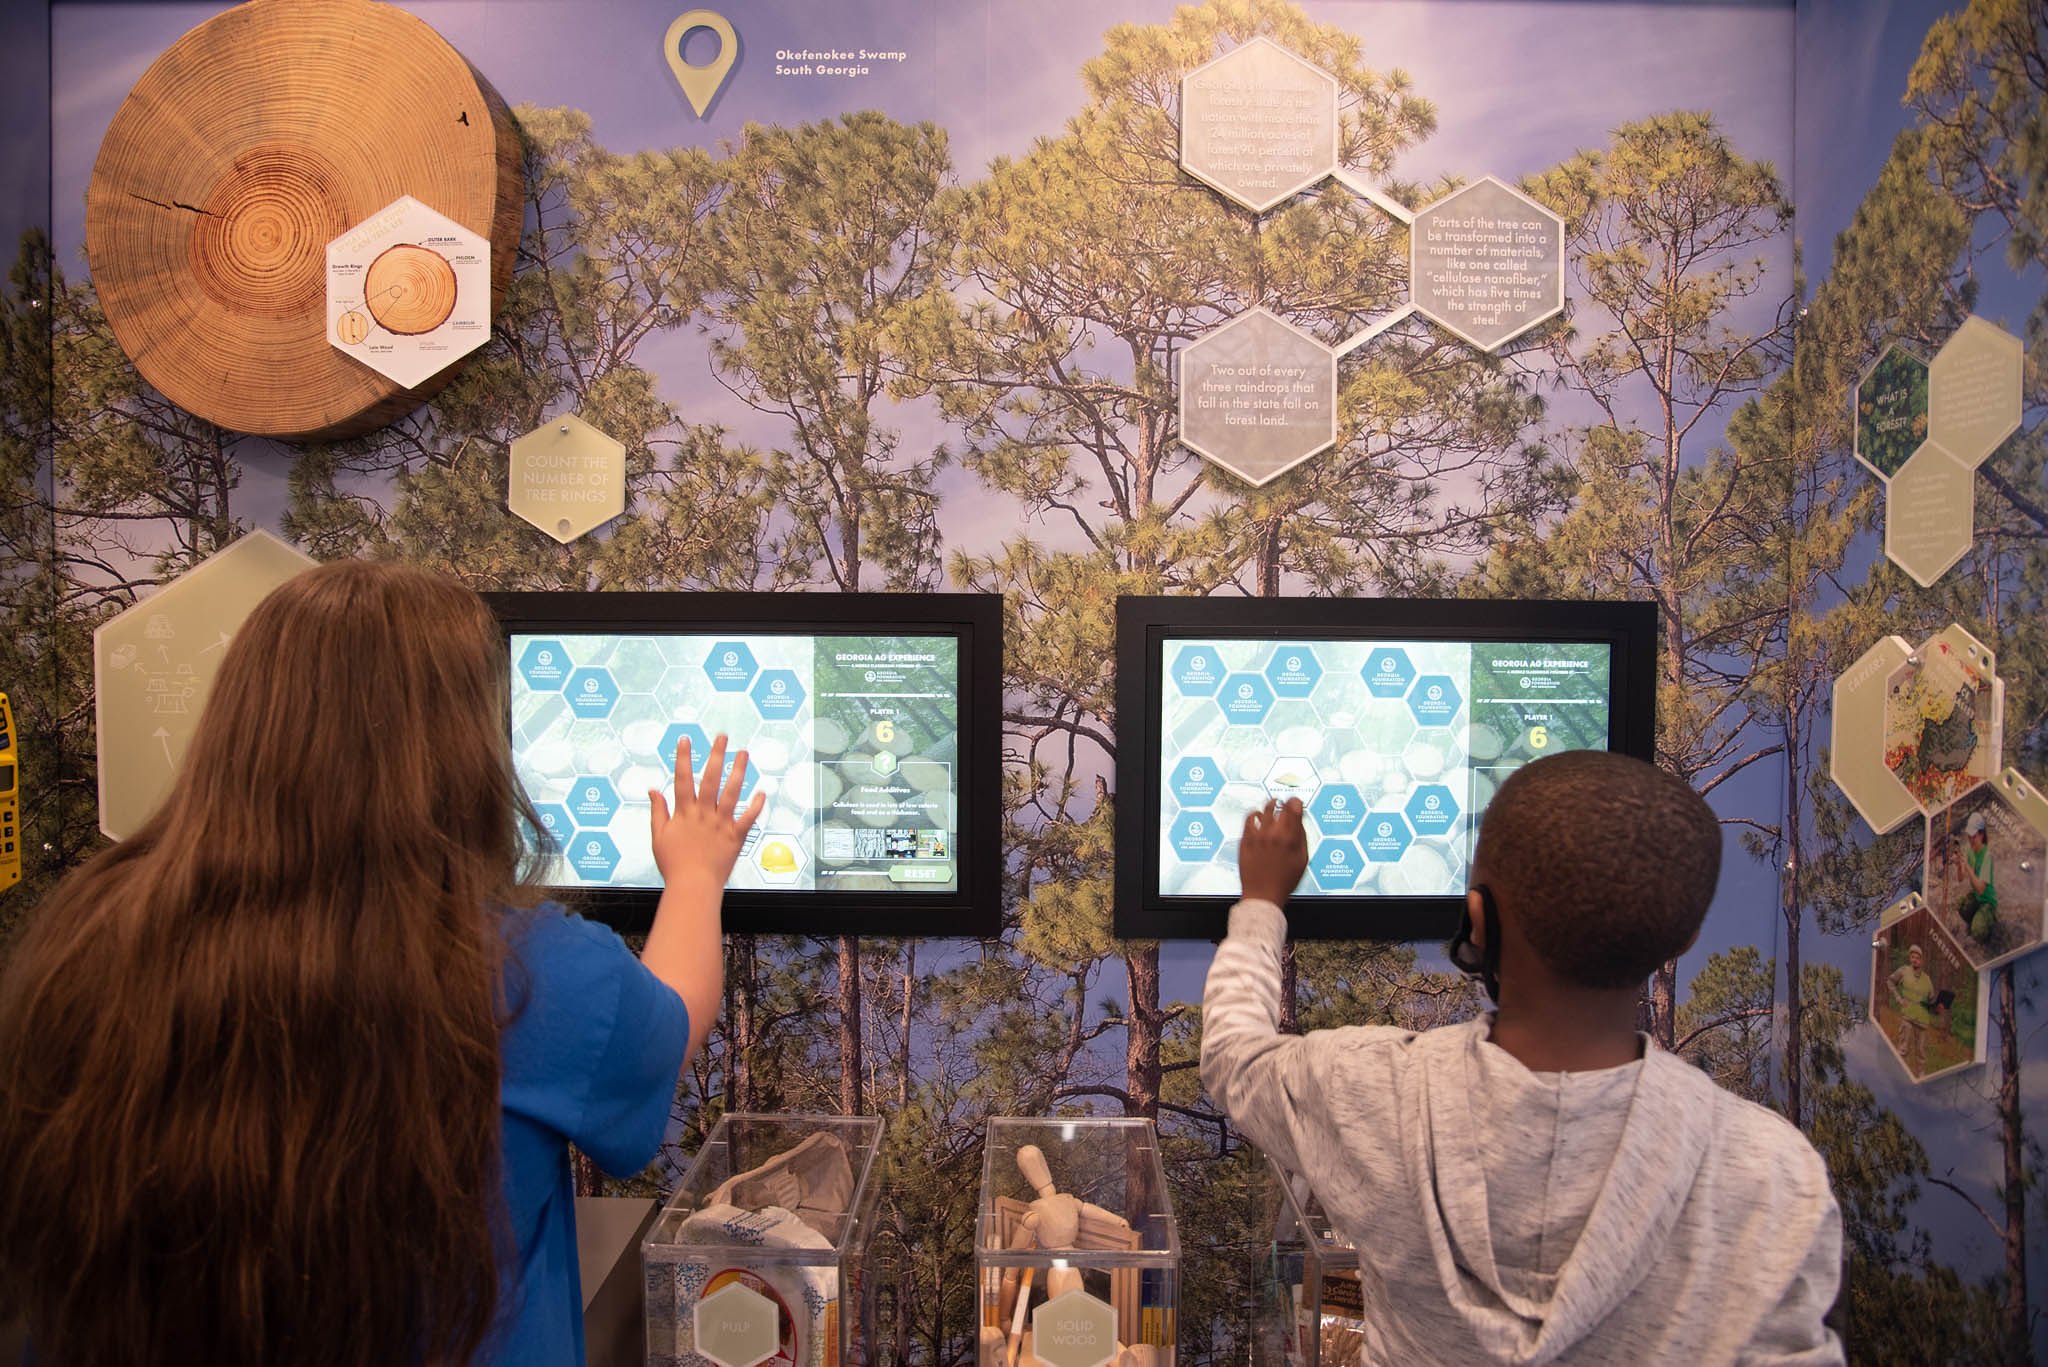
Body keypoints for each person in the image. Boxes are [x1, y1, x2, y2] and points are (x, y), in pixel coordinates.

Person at [0, 560, 762, 1367]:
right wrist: (696, 872)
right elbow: (673, 1011)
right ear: (463, 752)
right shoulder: (528, 971)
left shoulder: (83, 941)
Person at [1202, 750, 1844, 1365]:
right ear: (1682, 938)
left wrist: (1261, 902)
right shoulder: (1774, 1175)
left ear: (1477, 920)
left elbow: (1234, 1056)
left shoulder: (1370, 1091)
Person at [1886, 943, 1935, 1073]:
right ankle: (1897, 1074)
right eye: (1912, 957)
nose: (1914, 959)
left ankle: (1921, 1078)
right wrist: (1898, 998)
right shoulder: (1903, 971)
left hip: (1922, 1021)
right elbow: (1890, 981)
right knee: (1902, 1049)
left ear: (1922, 960)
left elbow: (1931, 999)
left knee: (1921, 1054)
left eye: (1917, 957)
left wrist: (1937, 1007)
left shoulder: (1927, 979)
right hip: (1907, 1017)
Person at [1955, 811, 1996, 944]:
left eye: (1974, 836)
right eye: (1969, 836)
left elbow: (1980, 889)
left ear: (1981, 834)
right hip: (1977, 898)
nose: (1971, 840)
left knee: (1978, 932)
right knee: (1961, 905)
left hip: (1987, 902)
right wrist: (1958, 866)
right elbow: (1961, 878)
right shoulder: (1969, 849)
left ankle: (1986, 926)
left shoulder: (1987, 857)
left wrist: (1967, 867)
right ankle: (1975, 920)